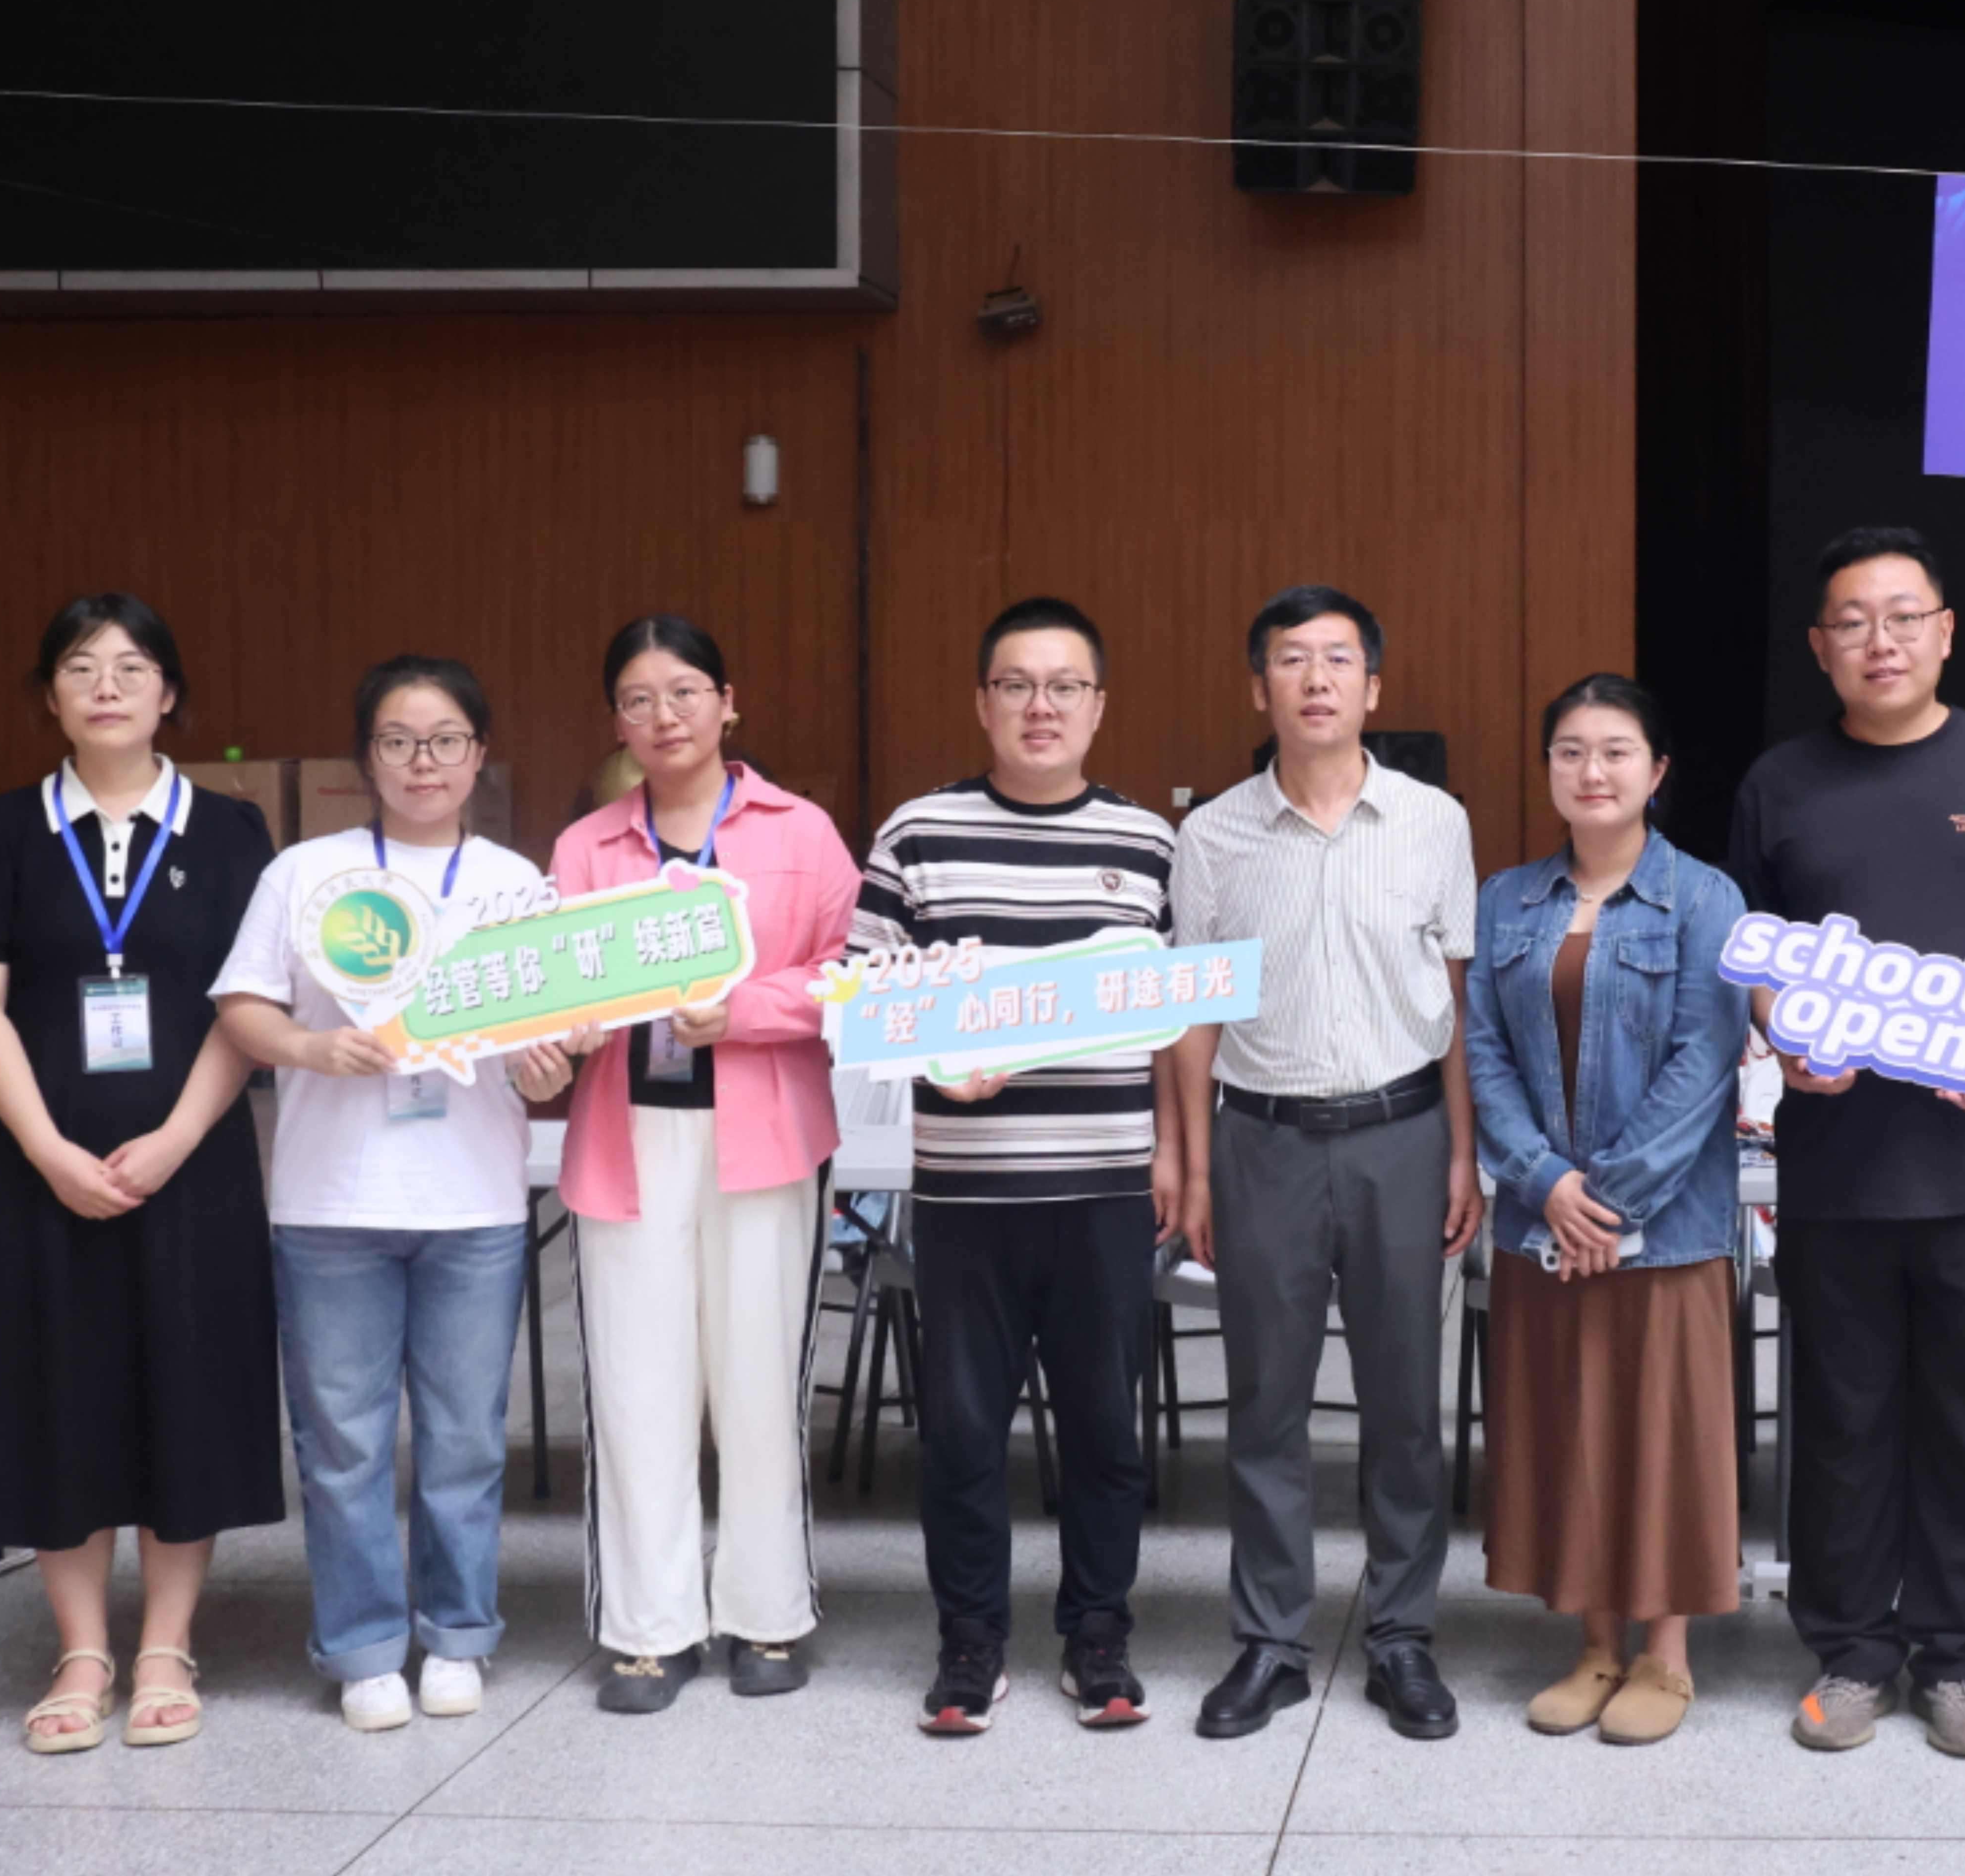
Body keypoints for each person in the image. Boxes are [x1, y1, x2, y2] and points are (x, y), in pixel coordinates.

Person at [1727, 528, 1965, 1759]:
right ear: (1819, 646)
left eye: (1902, 616)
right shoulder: (1781, 782)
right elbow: (1752, 944)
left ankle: (1956, 1658)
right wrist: (1785, 1032)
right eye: (1852, 621)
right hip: (1837, 1165)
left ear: (1945, 630)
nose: (1878, 640)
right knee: (1840, 1418)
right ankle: (1850, 1651)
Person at [0, 595, 278, 1752]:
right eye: (81, 669)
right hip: (37, 1161)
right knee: (55, 1385)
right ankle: (81, 1648)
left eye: (133, 668)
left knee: (187, 1380)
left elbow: (247, 1007)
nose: (108, 688)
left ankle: (168, 1641)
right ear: (51, 696)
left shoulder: (231, 834)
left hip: (193, 1154)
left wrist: (177, 1136)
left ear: (169, 693)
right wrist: (45, 1148)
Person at [212, 657, 575, 1732]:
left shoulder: (516, 883)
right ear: (367, 758)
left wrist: (546, 1070)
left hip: (474, 1204)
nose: (424, 762)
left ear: (479, 755)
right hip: (331, 1204)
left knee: (466, 1439)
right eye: (399, 741)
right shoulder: (307, 873)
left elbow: (544, 1049)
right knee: (344, 1444)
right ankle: (365, 1645)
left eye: (446, 739)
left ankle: (458, 1633)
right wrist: (310, 1048)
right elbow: (242, 1006)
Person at [854, 598, 1179, 1735]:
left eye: (1064, 686)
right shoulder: (917, 834)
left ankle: (1098, 1635)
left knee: (1105, 1431)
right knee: (960, 1432)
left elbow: (1180, 1017)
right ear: (983, 702)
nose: (1041, 706)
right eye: (1017, 684)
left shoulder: (1147, 843)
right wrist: (936, 1066)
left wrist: (1178, 1156)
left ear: (1099, 706)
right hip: (967, 1194)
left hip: (1105, 1189)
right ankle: (971, 1640)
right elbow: (866, 1002)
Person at [1168, 586, 1483, 1741]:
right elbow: (1192, 1015)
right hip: (1263, 1142)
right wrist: (1197, 1167)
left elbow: (1455, 1000)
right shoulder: (1213, 836)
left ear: (1373, 687)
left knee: (1405, 1405)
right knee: (1266, 1403)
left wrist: (1464, 1153)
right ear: (1260, 687)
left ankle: (1402, 1636)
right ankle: (1270, 1643)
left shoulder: (1434, 821)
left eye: (1338, 659)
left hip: (1405, 1134)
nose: (1315, 679)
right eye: (1292, 660)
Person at [549, 616, 858, 1714]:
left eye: (685, 692)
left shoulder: (801, 831)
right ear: (618, 721)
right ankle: (651, 1628)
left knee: (759, 1381)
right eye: (638, 700)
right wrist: (561, 1028)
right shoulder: (587, 848)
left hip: (761, 1133)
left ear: (730, 702)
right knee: (638, 1388)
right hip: (625, 1136)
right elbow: (552, 983)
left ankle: (768, 1615)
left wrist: (747, 1009)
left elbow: (849, 973)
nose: (664, 716)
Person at [1467, 674, 1749, 1746]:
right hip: (1543, 1223)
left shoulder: (1707, 899)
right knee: (1567, 1429)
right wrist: (1546, 1183)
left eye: (1617, 750)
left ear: (1657, 770)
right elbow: (1483, 1051)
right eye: (1572, 751)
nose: (1594, 770)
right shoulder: (1506, 899)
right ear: (1549, 768)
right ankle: (1593, 1645)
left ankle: (1666, 1657)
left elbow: (1705, 1061)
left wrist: (1610, 1204)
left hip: (1664, 1230)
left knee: (1661, 1434)